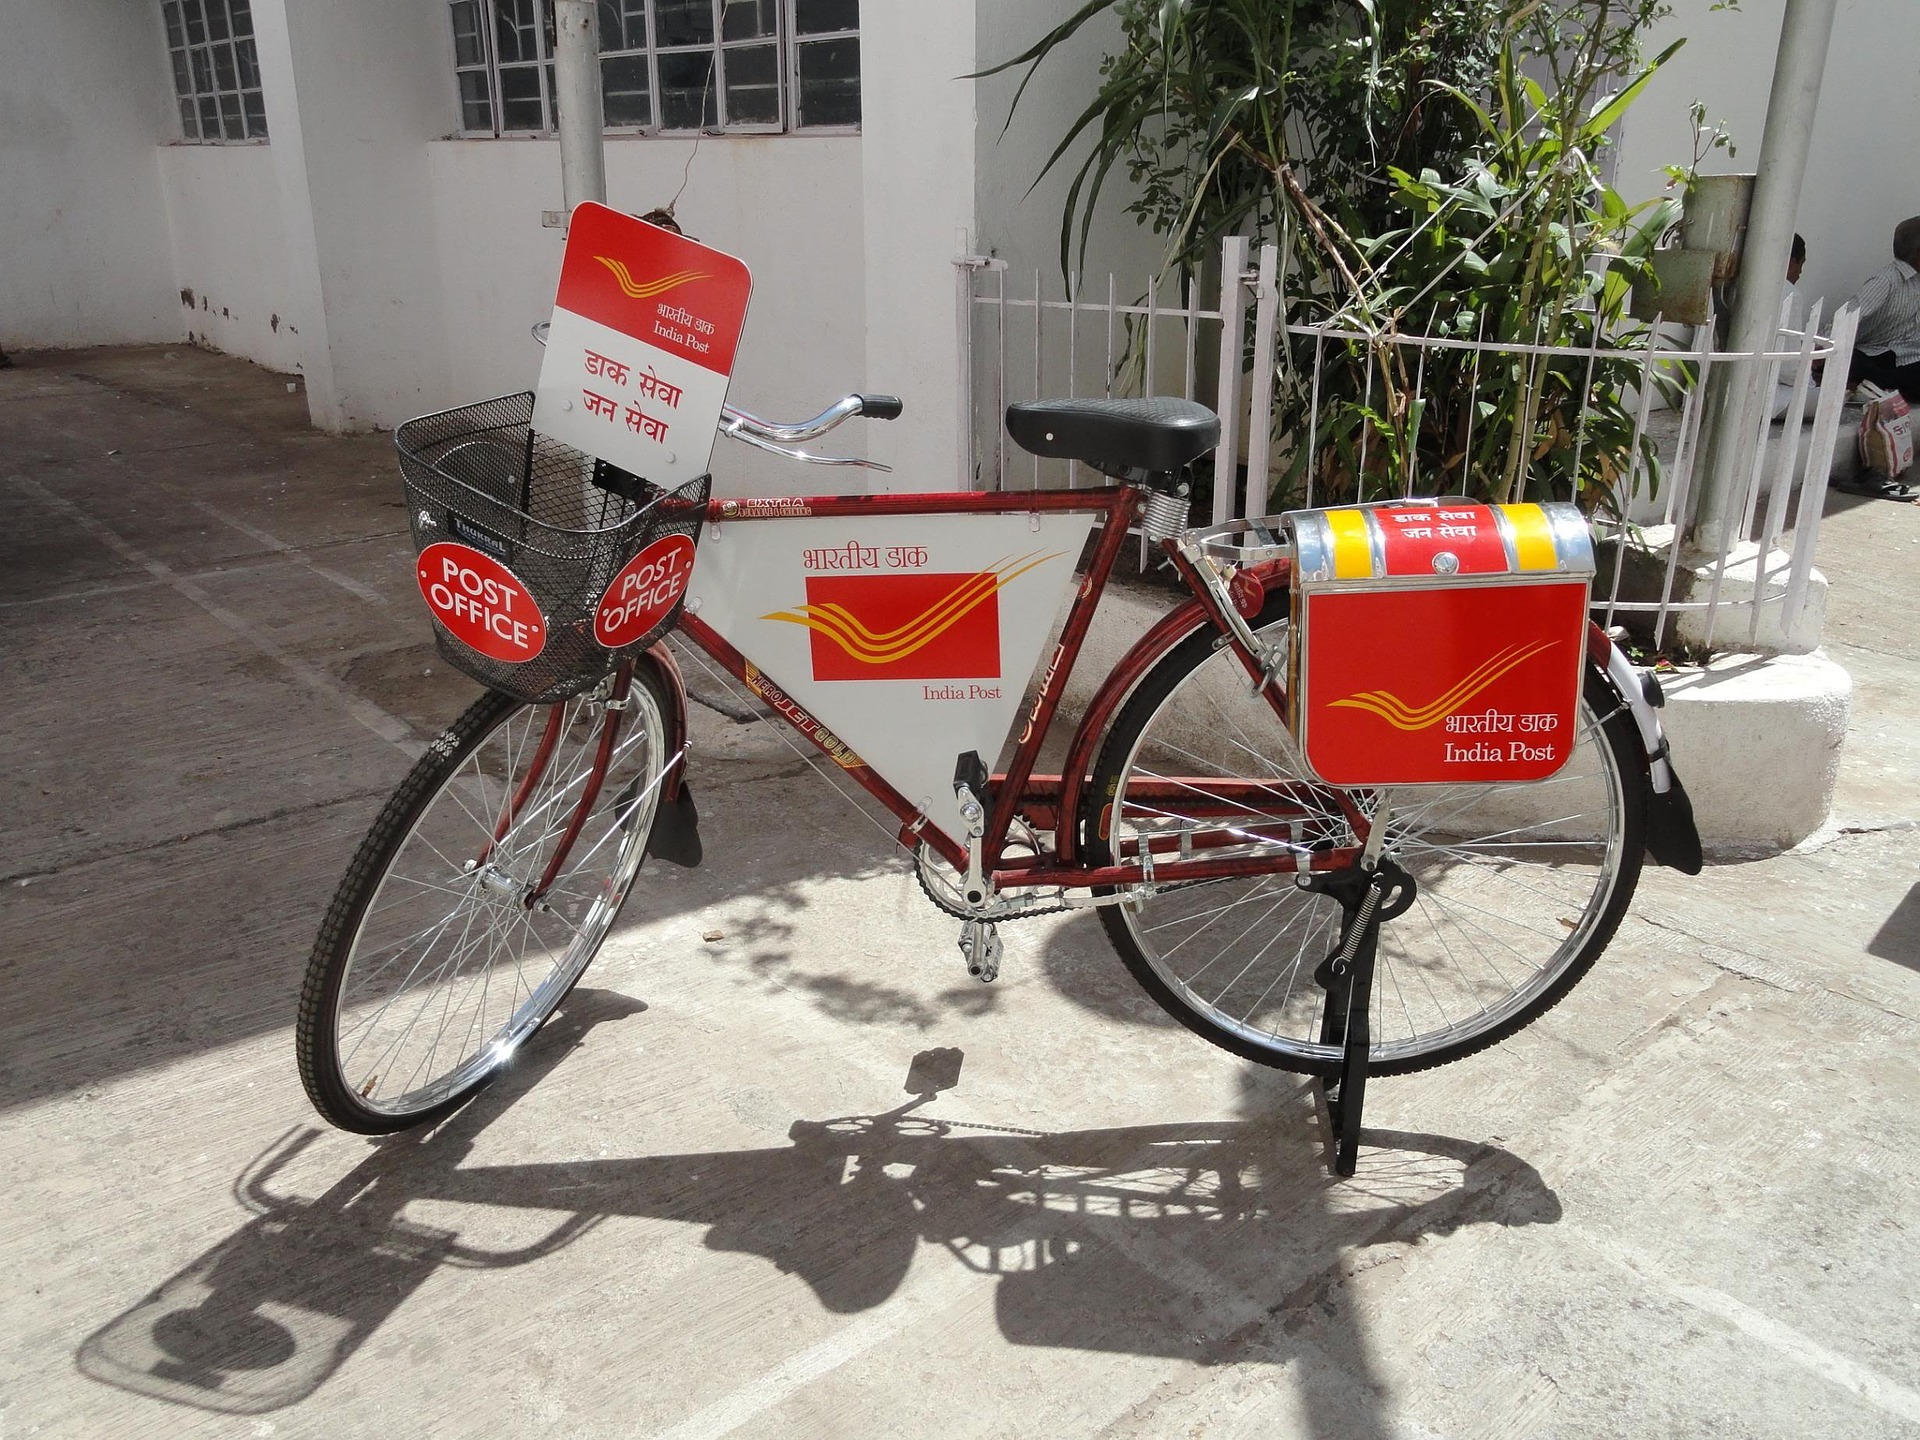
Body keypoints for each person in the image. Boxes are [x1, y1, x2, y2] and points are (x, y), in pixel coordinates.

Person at [1846, 214, 1920, 402]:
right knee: (1855, 361)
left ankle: (1882, 386)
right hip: (1878, 356)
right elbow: (1844, 321)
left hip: (1908, 358)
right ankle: (1878, 385)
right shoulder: (1886, 281)